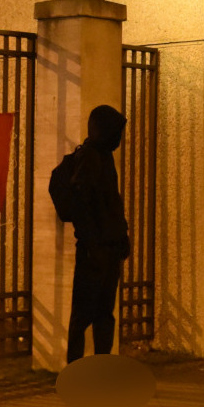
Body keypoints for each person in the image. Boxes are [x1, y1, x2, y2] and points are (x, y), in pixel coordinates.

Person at [66, 104, 131, 363]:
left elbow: (111, 204)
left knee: (103, 312)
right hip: (95, 250)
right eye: (116, 132)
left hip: (107, 247)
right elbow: (84, 204)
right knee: (85, 314)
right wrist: (93, 243)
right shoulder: (91, 157)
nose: (119, 138)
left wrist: (121, 236)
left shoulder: (103, 156)